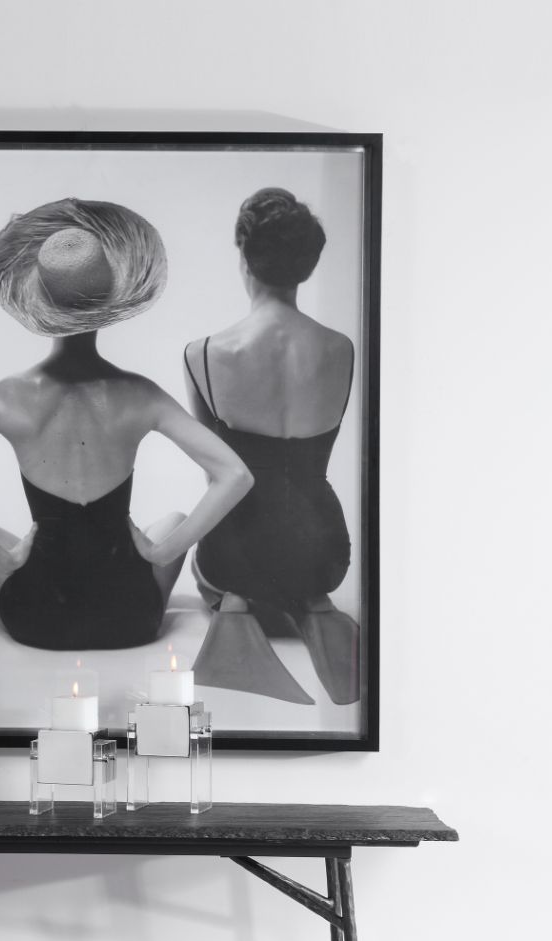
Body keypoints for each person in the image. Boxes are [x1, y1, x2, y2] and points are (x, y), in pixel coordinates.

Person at [0, 198, 253, 651]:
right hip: (131, 617)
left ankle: (20, 567)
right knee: (173, 520)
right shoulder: (142, 394)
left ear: (40, 300)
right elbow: (236, 474)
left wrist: (7, 560)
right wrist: (160, 552)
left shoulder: (5, 397)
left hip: (38, 620)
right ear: (109, 301)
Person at [184, 187, 359, 704]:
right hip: (324, 550)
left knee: (210, 568)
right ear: (306, 265)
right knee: (303, 568)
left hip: (234, 552)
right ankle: (313, 603)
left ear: (244, 257)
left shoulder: (204, 352)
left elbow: (218, 475)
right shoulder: (342, 348)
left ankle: (236, 602)